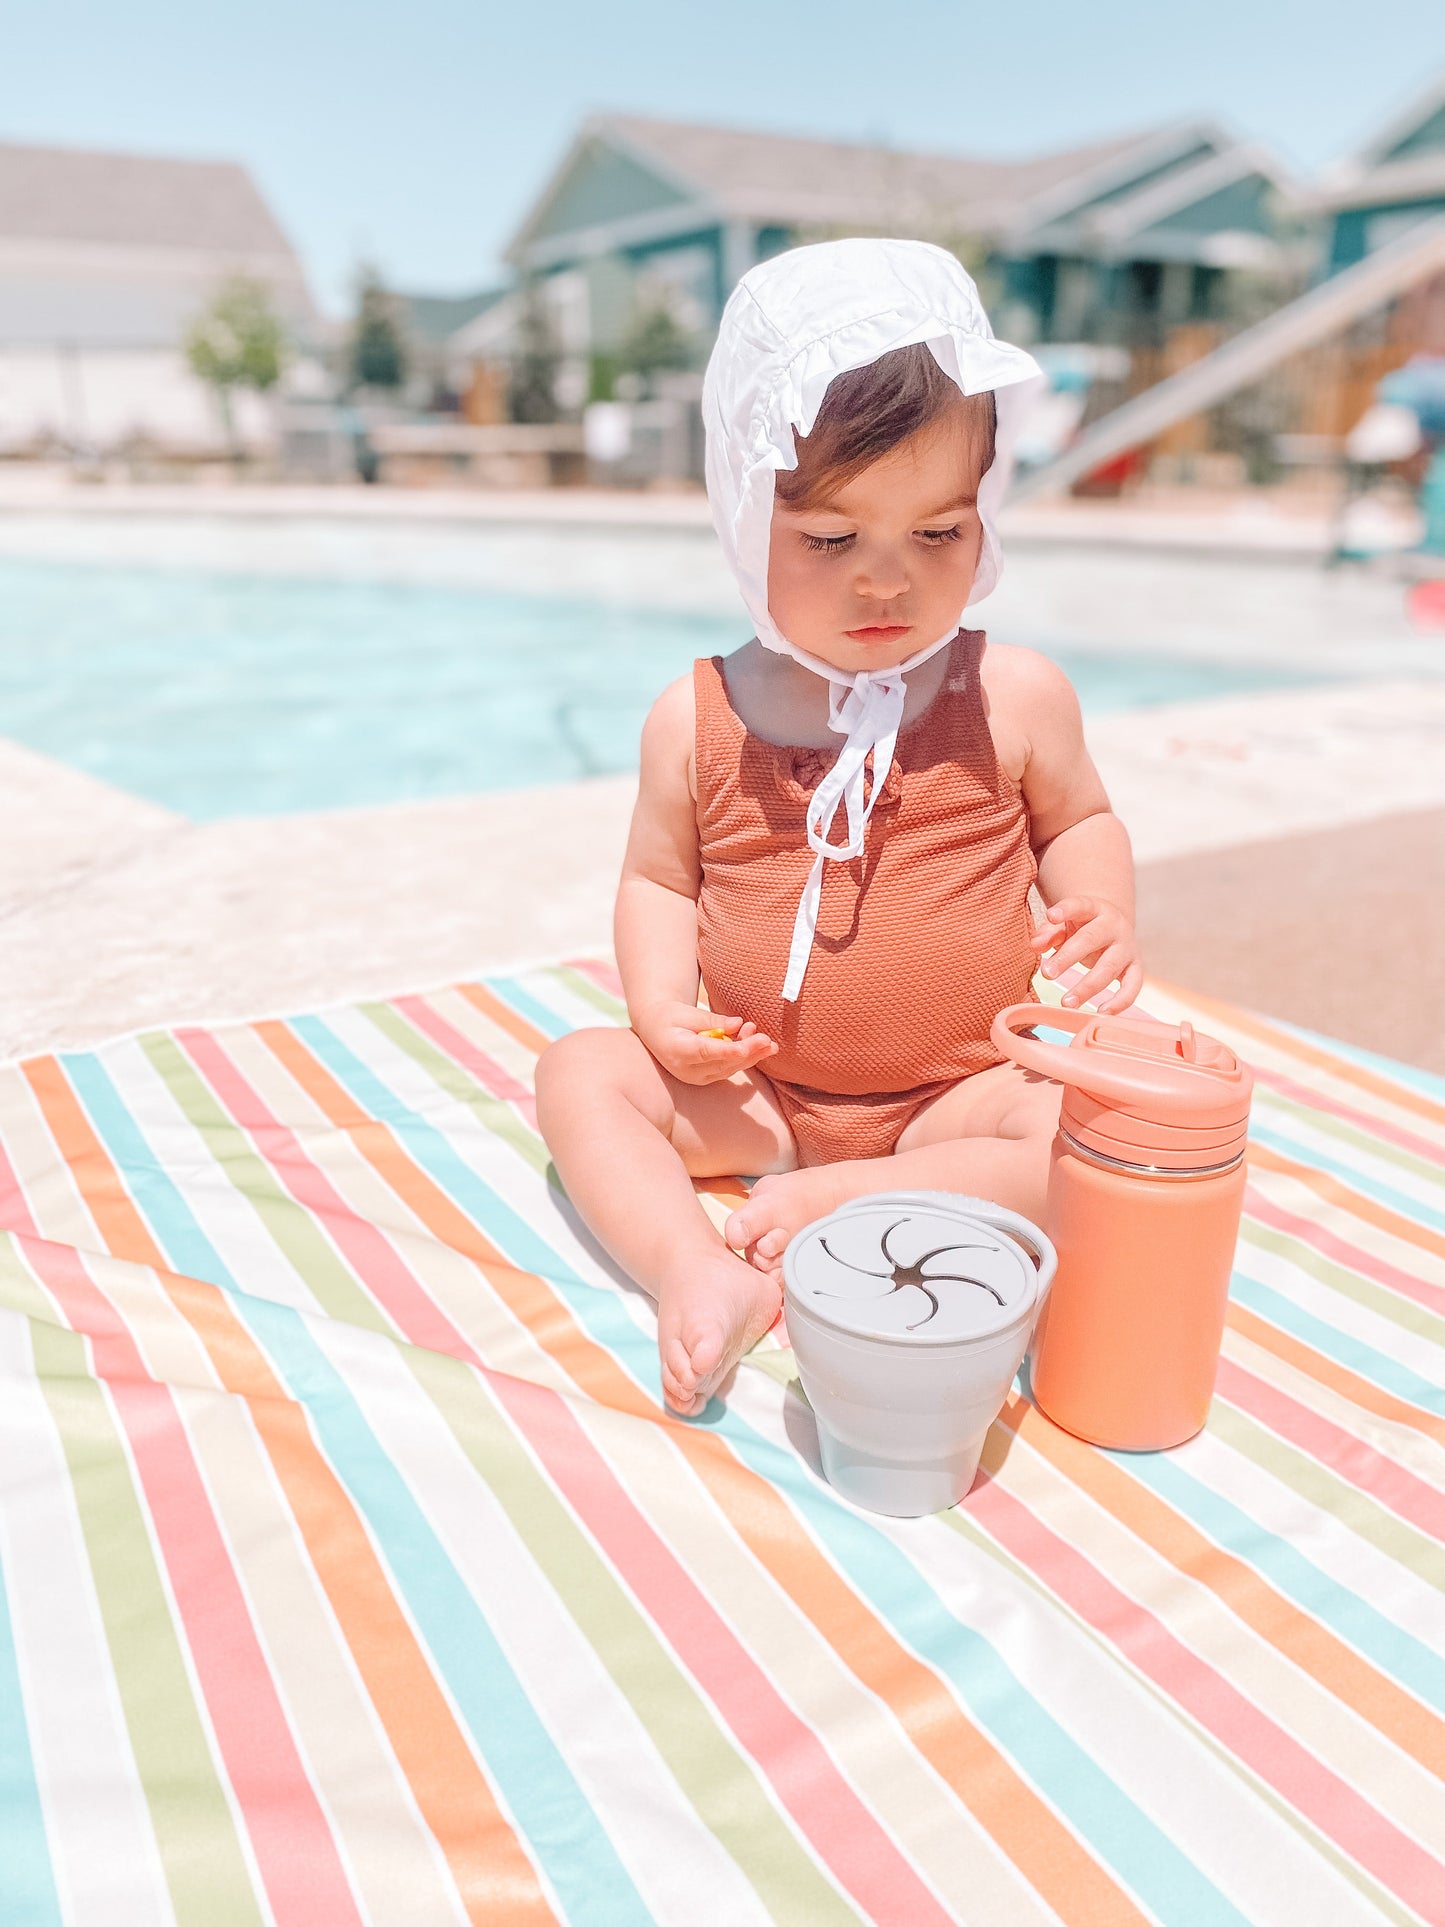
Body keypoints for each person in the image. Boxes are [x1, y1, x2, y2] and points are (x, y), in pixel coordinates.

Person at [536, 238, 1140, 1417]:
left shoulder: (1009, 694)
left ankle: (856, 1203)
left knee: (1077, 1128)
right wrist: (661, 1010)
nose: (886, 583)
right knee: (580, 1077)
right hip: (762, 1096)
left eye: (937, 534)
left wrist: (1102, 906)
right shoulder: (697, 715)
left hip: (956, 1095)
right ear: (741, 507)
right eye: (828, 539)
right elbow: (657, 882)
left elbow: (1083, 819)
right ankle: (691, 1267)